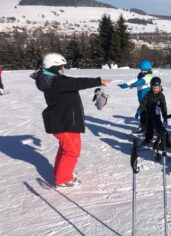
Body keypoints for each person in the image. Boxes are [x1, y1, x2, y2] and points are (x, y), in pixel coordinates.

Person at [32, 53, 111, 188]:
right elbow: (77, 83)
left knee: (65, 149)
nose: (63, 69)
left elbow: (71, 81)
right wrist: (98, 81)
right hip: (64, 122)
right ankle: (63, 179)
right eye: (61, 67)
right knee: (72, 151)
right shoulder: (57, 83)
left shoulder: (51, 79)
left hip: (62, 120)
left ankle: (60, 172)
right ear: (53, 67)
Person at [118, 60, 152, 133]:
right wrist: (125, 85)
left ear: (148, 69)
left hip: (147, 99)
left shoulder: (150, 76)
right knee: (143, 113)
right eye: (141, 69)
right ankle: (143, 125)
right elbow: (135, 80)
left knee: (148, 114)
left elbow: (142, 81)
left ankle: (152, 128)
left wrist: (134, 85)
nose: (142, 71)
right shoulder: (141, 75)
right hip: (141, 99)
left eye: (144, 70)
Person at [138, 76, 171, 147]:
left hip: (156, 115)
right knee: (148, 127)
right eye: (154, 88)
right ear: (151, 87)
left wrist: (165, 117)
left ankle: (168, 140)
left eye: (157, 88)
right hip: (148, 114)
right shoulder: (148, 94)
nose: (155, 89)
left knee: (159, 128)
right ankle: (148, 139)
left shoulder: (161, 96)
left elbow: (164, 107)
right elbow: (143, 103)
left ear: (160, 87)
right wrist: (139, 110)